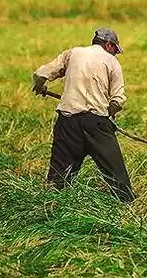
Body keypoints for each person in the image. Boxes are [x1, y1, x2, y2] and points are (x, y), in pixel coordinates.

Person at [31, 27, 135, 203]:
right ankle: (128, 206)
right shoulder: (111, 62)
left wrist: (40, 87)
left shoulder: (73, 53)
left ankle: (51, 207)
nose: (115, 54)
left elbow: (41, 73)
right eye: (115, 49)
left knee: (59, 176)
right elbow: (118, 100)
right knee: (116, 174)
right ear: (109, 45)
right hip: (96, 124)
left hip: (67, 122)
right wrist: (108, 113)